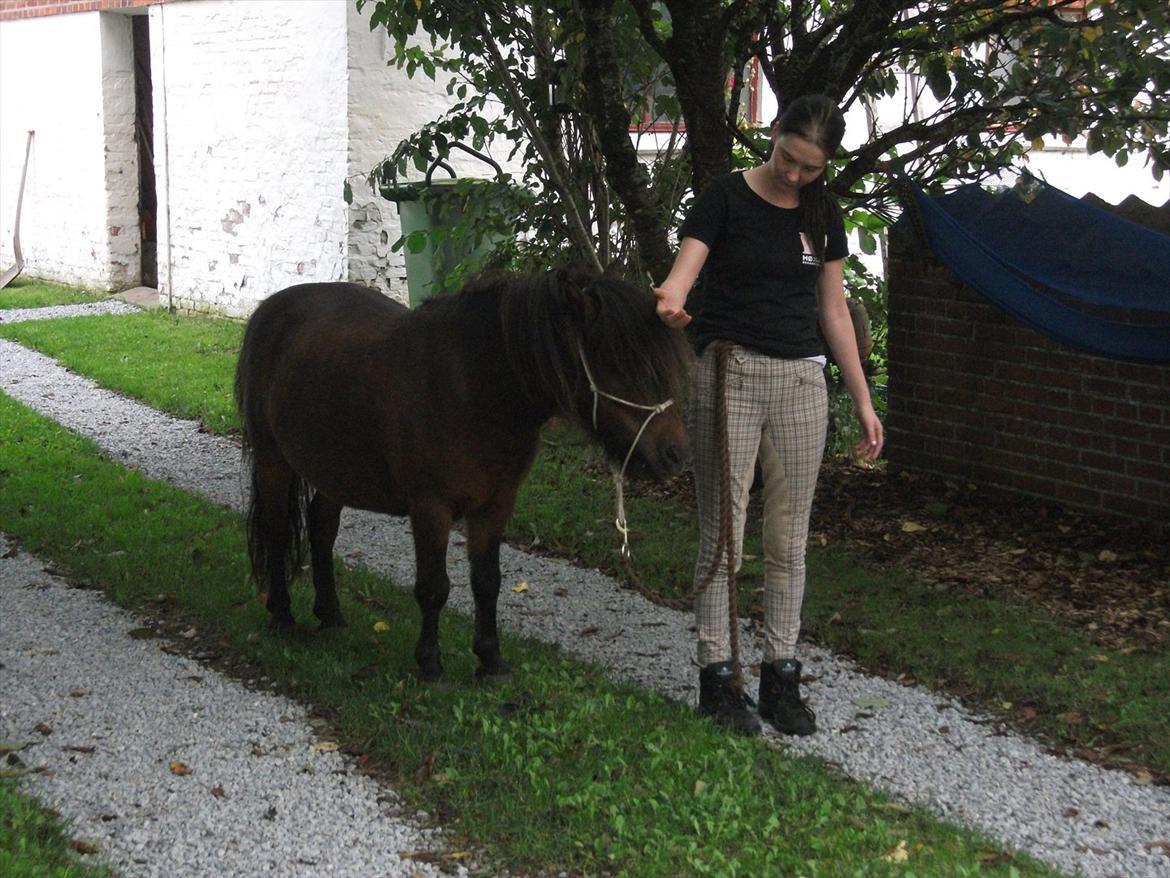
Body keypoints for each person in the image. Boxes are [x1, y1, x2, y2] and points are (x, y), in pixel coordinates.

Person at [653, 94, 884, 736]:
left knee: (788, 536)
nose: (793, 175)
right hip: (729, 373)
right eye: (787, 158)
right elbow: (682, 276)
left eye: (810, 168)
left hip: (802, 382)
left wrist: (861, 398)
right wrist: (670, 302)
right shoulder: (723, 198)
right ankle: (718, 679)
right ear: (774, 135)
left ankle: (780, 676)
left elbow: (833, 310)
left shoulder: (822, 211)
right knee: (722, 531)